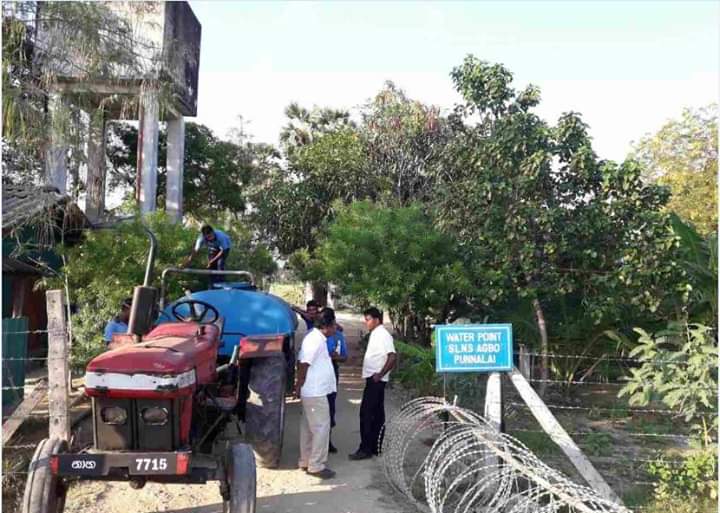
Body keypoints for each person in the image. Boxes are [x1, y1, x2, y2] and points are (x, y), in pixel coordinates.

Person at [295, 308, 338, 479]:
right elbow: (304, 363)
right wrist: (299, 384)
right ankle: (316, 465)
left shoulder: (317, 338)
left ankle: (306, 461)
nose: (335, 328)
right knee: (321, 428)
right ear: (327, 326)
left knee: (308, 428)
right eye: (334, 324)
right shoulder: (315, 340)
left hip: (314, 390)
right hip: (315, 391)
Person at [349, 307, 396, 461]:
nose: (366, 322)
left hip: (376, 380)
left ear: (377, 320)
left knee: (366, 414)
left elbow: (392, 357)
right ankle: (376, 447)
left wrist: (380, 374)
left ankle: (365, 448)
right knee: (377, 414)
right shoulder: (375, 334)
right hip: (374, 378)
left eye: (368, 319)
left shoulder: (383, 334)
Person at [326, 328, 347, 453]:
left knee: (330, 406)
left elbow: (344, 356)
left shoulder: (338, 336)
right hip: (317, 372)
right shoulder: (312, 335)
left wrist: (335, 357)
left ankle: (327, 441)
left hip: (332, 371)